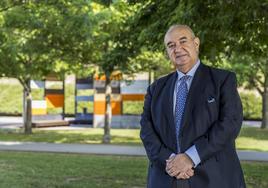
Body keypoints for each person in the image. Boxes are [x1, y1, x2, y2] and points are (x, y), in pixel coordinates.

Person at [140, 24, 246, 188]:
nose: (178, 48)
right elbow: (146, 130)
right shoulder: (156, 89)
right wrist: (171, 162)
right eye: (171, 45)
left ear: (196, 43)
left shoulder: (222, 80)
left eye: (183, 41)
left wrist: (191, 157)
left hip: (214, 179)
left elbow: (230, 124)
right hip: (165, 178)